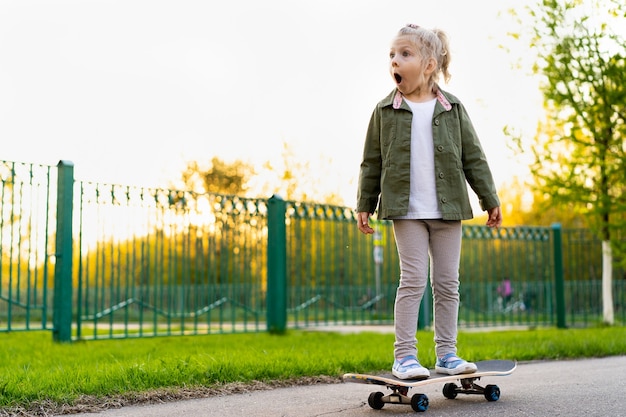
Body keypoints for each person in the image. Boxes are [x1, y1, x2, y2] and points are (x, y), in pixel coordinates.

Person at [356, 24, 502, 380]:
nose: (395, 60)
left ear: (429, 65)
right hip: (405, 211)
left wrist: (489, 198)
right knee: (413, 280)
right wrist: (365, 202)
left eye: (405, 54)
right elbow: (371, 161)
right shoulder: (384, 110)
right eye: (392, 55)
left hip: (447, 209)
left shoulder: (452, 108)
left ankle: (447, 354)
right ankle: (404, 356)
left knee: (448, 282)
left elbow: (474, 158)